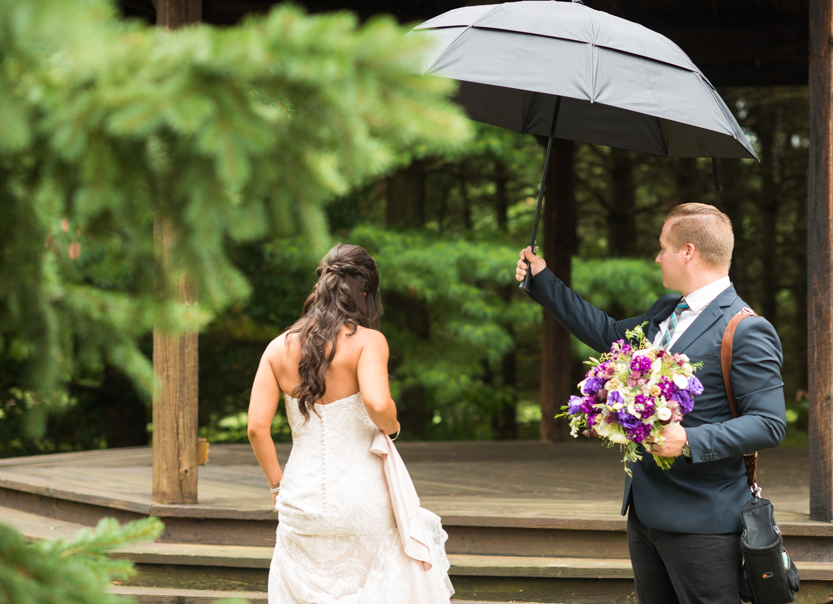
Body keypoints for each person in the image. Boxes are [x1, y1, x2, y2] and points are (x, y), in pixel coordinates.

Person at [515, 202, 786, 604]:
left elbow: (769, 423)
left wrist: (689, 440)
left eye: (663, 247)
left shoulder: (746, 329)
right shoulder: (665, 312)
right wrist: (542, 279)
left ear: (688, 251)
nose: (657, 256)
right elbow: (606, 332)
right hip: (644, 513)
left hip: (703, 522)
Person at [247, 244, 453, 604]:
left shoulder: (277, 348)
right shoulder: (368, 341)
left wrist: (277, 486)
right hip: (363, 496)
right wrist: (392, 426)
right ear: (365, 291)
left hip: (301, 495)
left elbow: (256, 428)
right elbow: (377, 404)